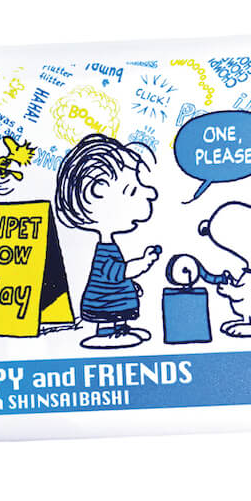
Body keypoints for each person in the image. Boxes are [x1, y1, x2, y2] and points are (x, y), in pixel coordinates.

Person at [53, 134, 161, 348]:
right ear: (96, 192)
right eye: (132, 190)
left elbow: (117, 277)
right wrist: (143, 263)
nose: (150, 193)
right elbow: (118, 272)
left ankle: (121, 328)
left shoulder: (109, 247)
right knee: (109, 315)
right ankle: (106, 334)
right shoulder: (105, 252)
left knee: (118, 312)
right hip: (103, 305)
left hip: (114, 301)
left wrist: (131, 285)